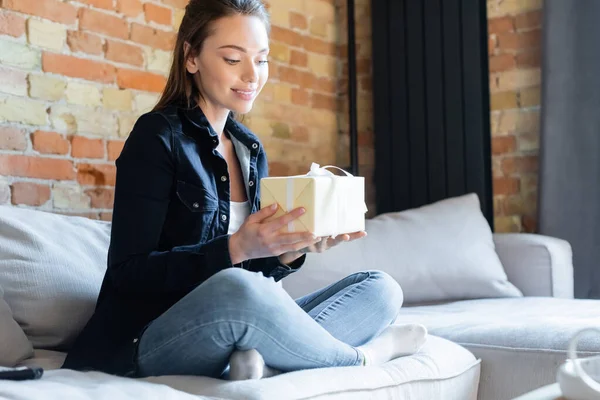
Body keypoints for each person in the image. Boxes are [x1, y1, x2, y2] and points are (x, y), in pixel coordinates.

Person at [62, 0, 427, 380]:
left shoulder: (248, 149)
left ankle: (263, 363)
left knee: (380, 289)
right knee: (238, 289)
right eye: (234, 59)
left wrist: (288, 250)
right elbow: (127, 275)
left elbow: (257, 279)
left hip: (229, 325)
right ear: (191, 57)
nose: (252, 75)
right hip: (142, 340)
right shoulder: (157, 137)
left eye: (262, 59)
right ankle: (365, 357)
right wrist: (236, 248)